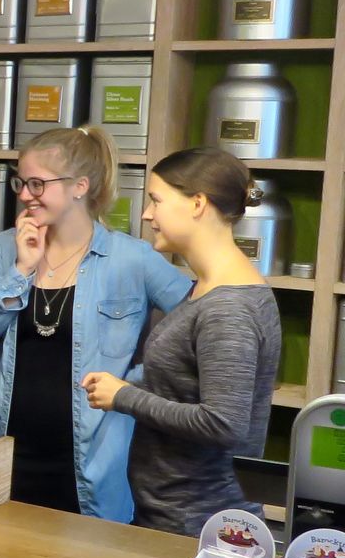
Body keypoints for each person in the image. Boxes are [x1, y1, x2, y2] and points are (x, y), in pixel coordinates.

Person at [0, 126, 190, 520]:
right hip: (5, 456)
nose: (24, 195)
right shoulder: (3, 249)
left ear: (79, 186)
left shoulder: (131, 258)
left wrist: (137, 380)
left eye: (37, 184)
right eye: (21, 182)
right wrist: (22, 269)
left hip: (95, 466)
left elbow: (199, 321)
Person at [84, 147, 280, 536]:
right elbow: (188, 384)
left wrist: (125, 397)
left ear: (197, 204)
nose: (147, 214)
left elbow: (223, 424)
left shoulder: (228, 308)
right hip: (176, 516)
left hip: (196, 525)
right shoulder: (207, 289)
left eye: (156, 200)